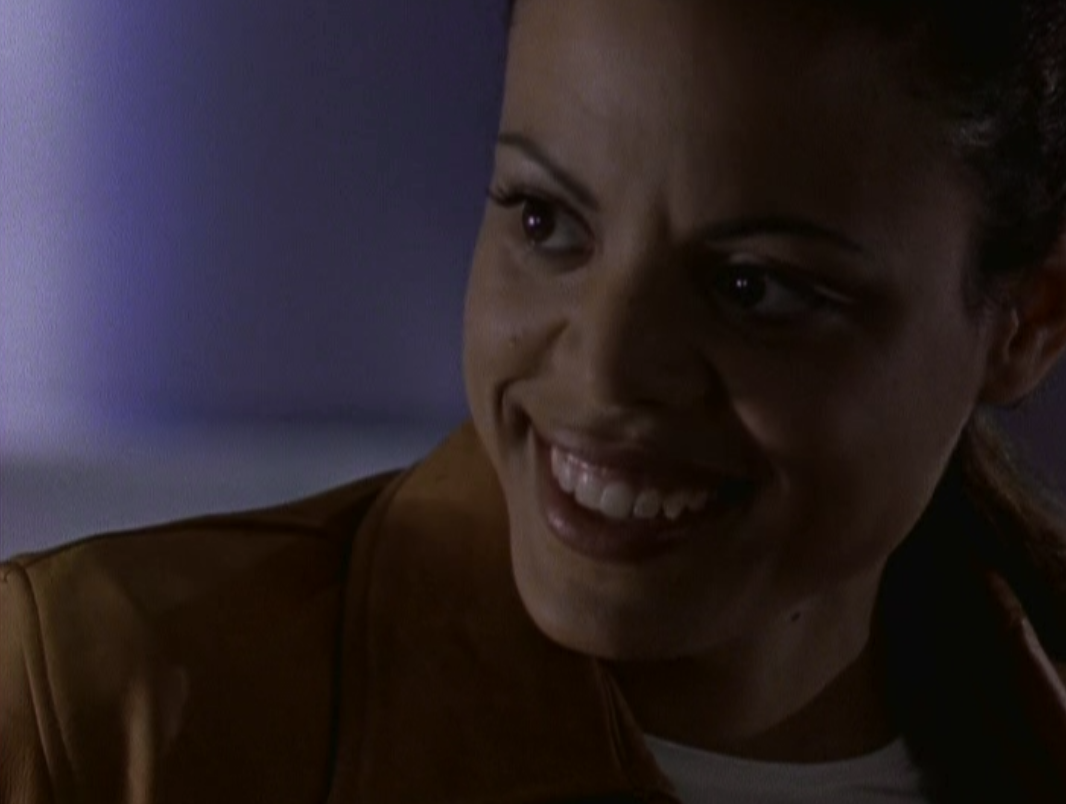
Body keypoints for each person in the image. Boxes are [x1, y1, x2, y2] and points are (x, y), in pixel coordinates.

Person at [3, 0, 1066, 801]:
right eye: (544, 221)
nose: (602, 375)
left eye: (755, 289)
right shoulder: (108, 716)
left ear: (1027, 324)